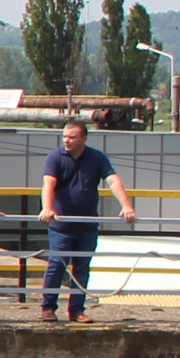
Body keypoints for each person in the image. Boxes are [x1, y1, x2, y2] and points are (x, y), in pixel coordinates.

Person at [39, 118, 137, 325]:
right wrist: (47, 208)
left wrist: (127, 205)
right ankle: (48, 308)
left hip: (87, 225)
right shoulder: (55, 157)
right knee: (57, 265)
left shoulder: (97, 157)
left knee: (82, 267)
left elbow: (112, 180)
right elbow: (48, 183)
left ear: (84, 138)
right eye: (64, 136)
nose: (66, 140)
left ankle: (76, 310)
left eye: (72, 137)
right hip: (62, 225)